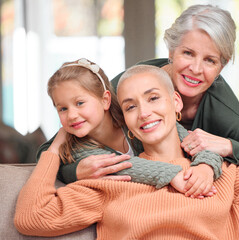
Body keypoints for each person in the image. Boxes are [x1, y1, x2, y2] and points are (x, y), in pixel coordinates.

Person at [15, 65, 239, 239]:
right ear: (127, 122)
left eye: (153, 99)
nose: (144, 113)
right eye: (132, 106)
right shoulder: (113, 179)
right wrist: (54, 149)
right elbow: (32, 217)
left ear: (175, 103)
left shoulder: (222, 176)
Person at [44, 4, 239, 183]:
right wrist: (76, 171)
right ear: (171, 50)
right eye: (187, 53)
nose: (195, 69)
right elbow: (50, 150)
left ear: (221, 67)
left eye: (209, 60)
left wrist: (227, 147)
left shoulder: (222, 108)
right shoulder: (132, 86)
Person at [39, 58, 222, 198]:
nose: (71, 115)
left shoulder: (133, 118)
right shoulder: (79, 149)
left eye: (79, 103)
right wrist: (172, 175)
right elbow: (125, 166)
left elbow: (192, 141)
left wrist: (206, 166)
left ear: (105, 100)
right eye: (62, 108)